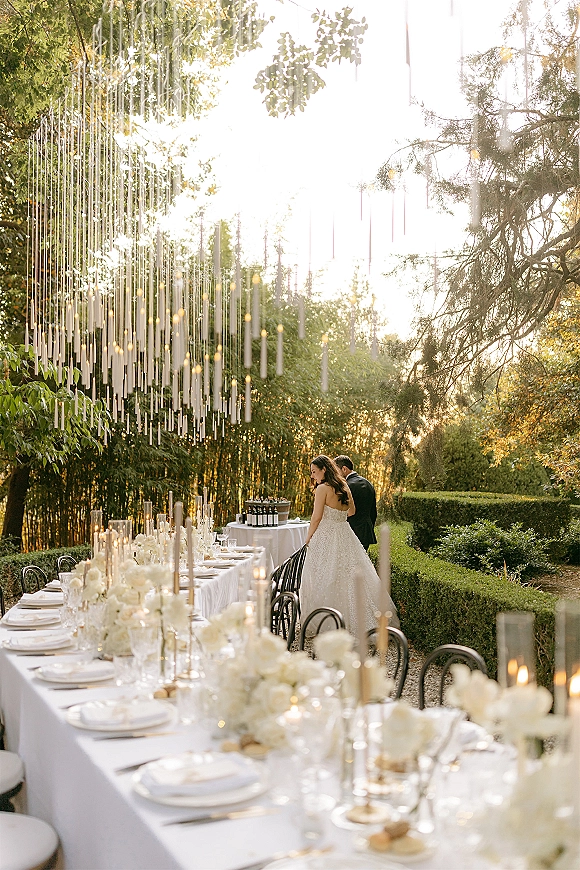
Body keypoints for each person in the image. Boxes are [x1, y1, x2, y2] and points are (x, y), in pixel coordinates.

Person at [301, 455, 399, 636]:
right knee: (351, 575)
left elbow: (316, 518)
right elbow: (351, 511)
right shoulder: (344, 486)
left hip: (327, 536)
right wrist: (338, 518)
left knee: (326, 575)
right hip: (345, 534)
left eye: (314, 472)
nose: (312, 476)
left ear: (324, 469)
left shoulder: (322, 489)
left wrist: (308, 538)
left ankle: (329, 622)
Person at [334, 455, 377, 551]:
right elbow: (373, 512)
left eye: (336, 471)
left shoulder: (346, 487)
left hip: (350, 534)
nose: (335, 475)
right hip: (366, 533)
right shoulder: (368, 483)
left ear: (344, 469)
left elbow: (343, 512)